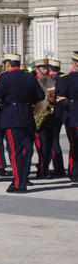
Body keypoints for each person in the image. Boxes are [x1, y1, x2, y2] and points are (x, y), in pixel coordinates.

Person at [0, 53, 44, 193]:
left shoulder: (5, 77)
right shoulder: (29, 77)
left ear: (8, 64)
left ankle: (19, 183)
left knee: (15, 151)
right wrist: (28, 101)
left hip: (12, 116)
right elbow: (41, 96)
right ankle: (23, 179)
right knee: (27, 151)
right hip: (27, 115)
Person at [60, 51, 78, 181]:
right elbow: (60, 97)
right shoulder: (66, 78)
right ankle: (74, 171)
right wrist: (71, 104)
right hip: (73, 116)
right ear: (74, 62)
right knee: (75, 144)